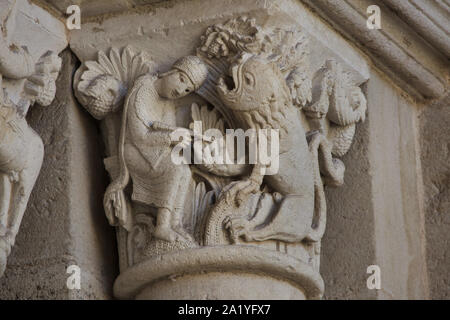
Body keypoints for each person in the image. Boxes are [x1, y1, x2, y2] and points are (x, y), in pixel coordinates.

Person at [104, 56, 208, 242]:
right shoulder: (143, 89)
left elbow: (165, 130)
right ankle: (162, 226)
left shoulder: (168, 103)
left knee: (183, 169)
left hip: (153, 152)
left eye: (187, 90)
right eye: (182, 79)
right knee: (175, 167)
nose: (180, 90)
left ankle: (174, 223)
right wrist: (172, 137)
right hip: (134, 151)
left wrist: (182, 140)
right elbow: (140, 136)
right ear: (171, 71)